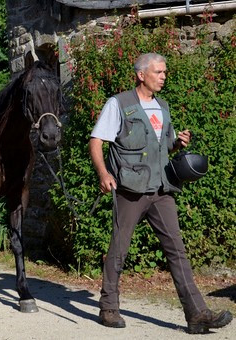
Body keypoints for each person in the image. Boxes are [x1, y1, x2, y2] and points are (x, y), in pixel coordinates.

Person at [88, 53, 232, 334]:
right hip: (130, 189)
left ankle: (197, 315)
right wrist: (104, 174)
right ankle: (108, 308)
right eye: (158, 72)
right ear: (141, 75)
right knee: (119, 249)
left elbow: (164, 147)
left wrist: (177, 143)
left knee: (177, 250)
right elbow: (96, 141)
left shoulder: (163, 107)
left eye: (165, 72)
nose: (164, 76)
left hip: (161, 188)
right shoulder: (118, 104)